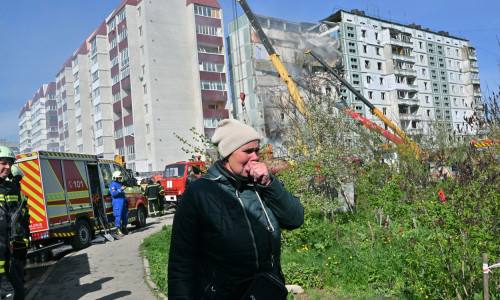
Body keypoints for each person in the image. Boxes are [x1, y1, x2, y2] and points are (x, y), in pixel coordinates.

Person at [168, 119, 304, 299]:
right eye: (248, 151)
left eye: (257, 151)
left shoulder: (261, 185)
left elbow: (295, 219)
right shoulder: (199, 194)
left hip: (266, 292)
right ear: (227, 155)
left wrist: (269, 183)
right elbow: (181, 262)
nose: (255, 157)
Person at [0, 146, 29, 300]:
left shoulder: (9, 188)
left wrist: (20, 242)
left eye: (9, 164)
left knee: (17, 293)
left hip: (8, 254)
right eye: (3, 163)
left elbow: (18, 217)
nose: (7, 167)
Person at [109, 171, 128, 236]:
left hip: (122, 202)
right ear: (115, 178)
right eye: (118, 178)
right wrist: (121, 189)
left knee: (125, 216)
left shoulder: (120, 184)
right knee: (118, 216)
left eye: (120, 178)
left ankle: (124, 228)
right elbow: (113, 194)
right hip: (117, 202)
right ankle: (118, 230)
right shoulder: (113, 184)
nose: (120, 179)